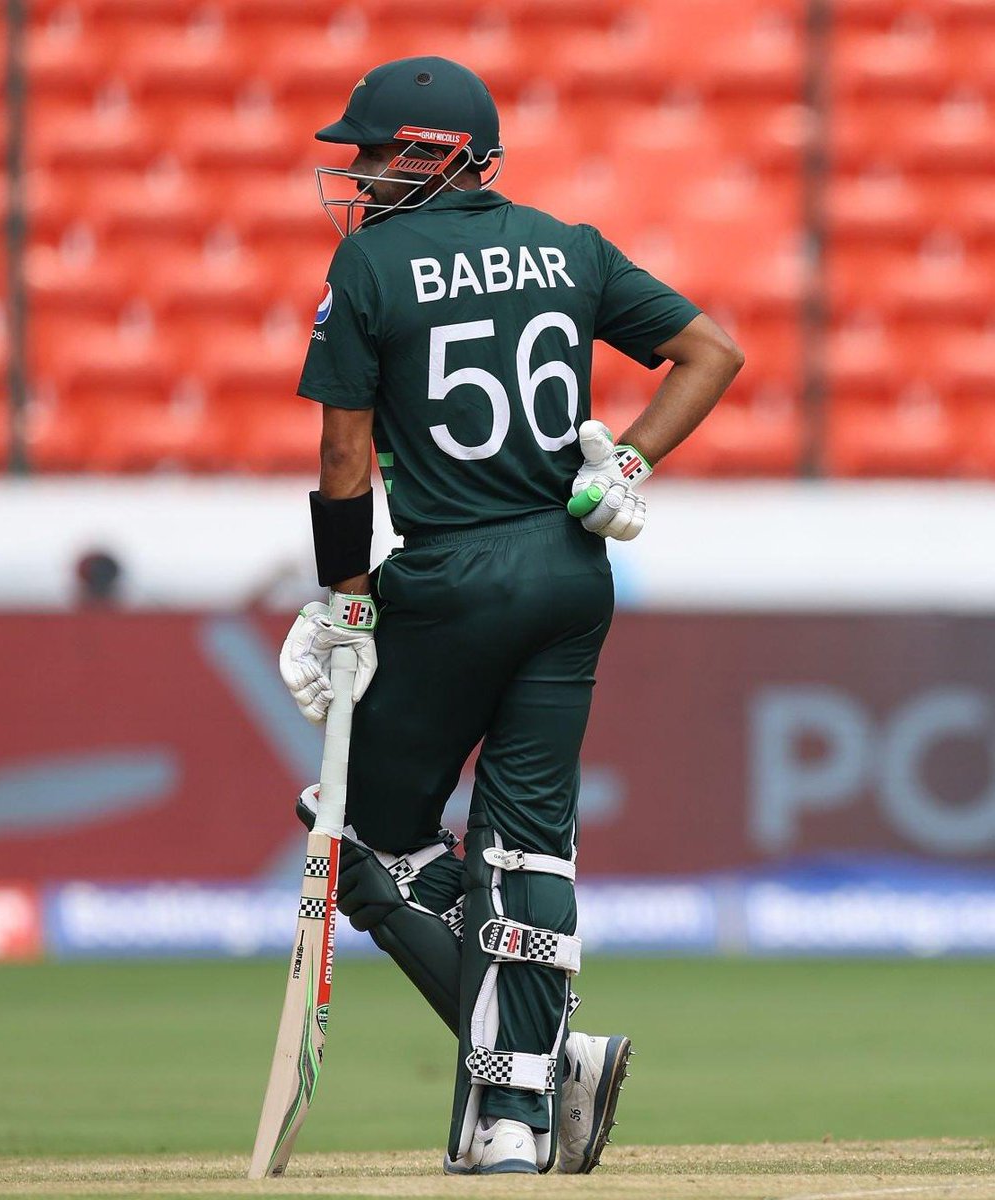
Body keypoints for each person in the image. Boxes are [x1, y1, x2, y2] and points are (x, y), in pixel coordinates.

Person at [279, 56, 743, 1176]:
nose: (361, 175)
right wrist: (622, 463)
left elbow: (346, 452)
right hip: (572, 573)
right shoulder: (569, 246)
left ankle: (542, 1070)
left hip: (448, 581)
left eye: (378, 154)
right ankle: (519, 1119)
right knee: (526, 846)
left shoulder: (370, 262)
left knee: (359, 840)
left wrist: (345, 595)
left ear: (437, 154)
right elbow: (711, 353)